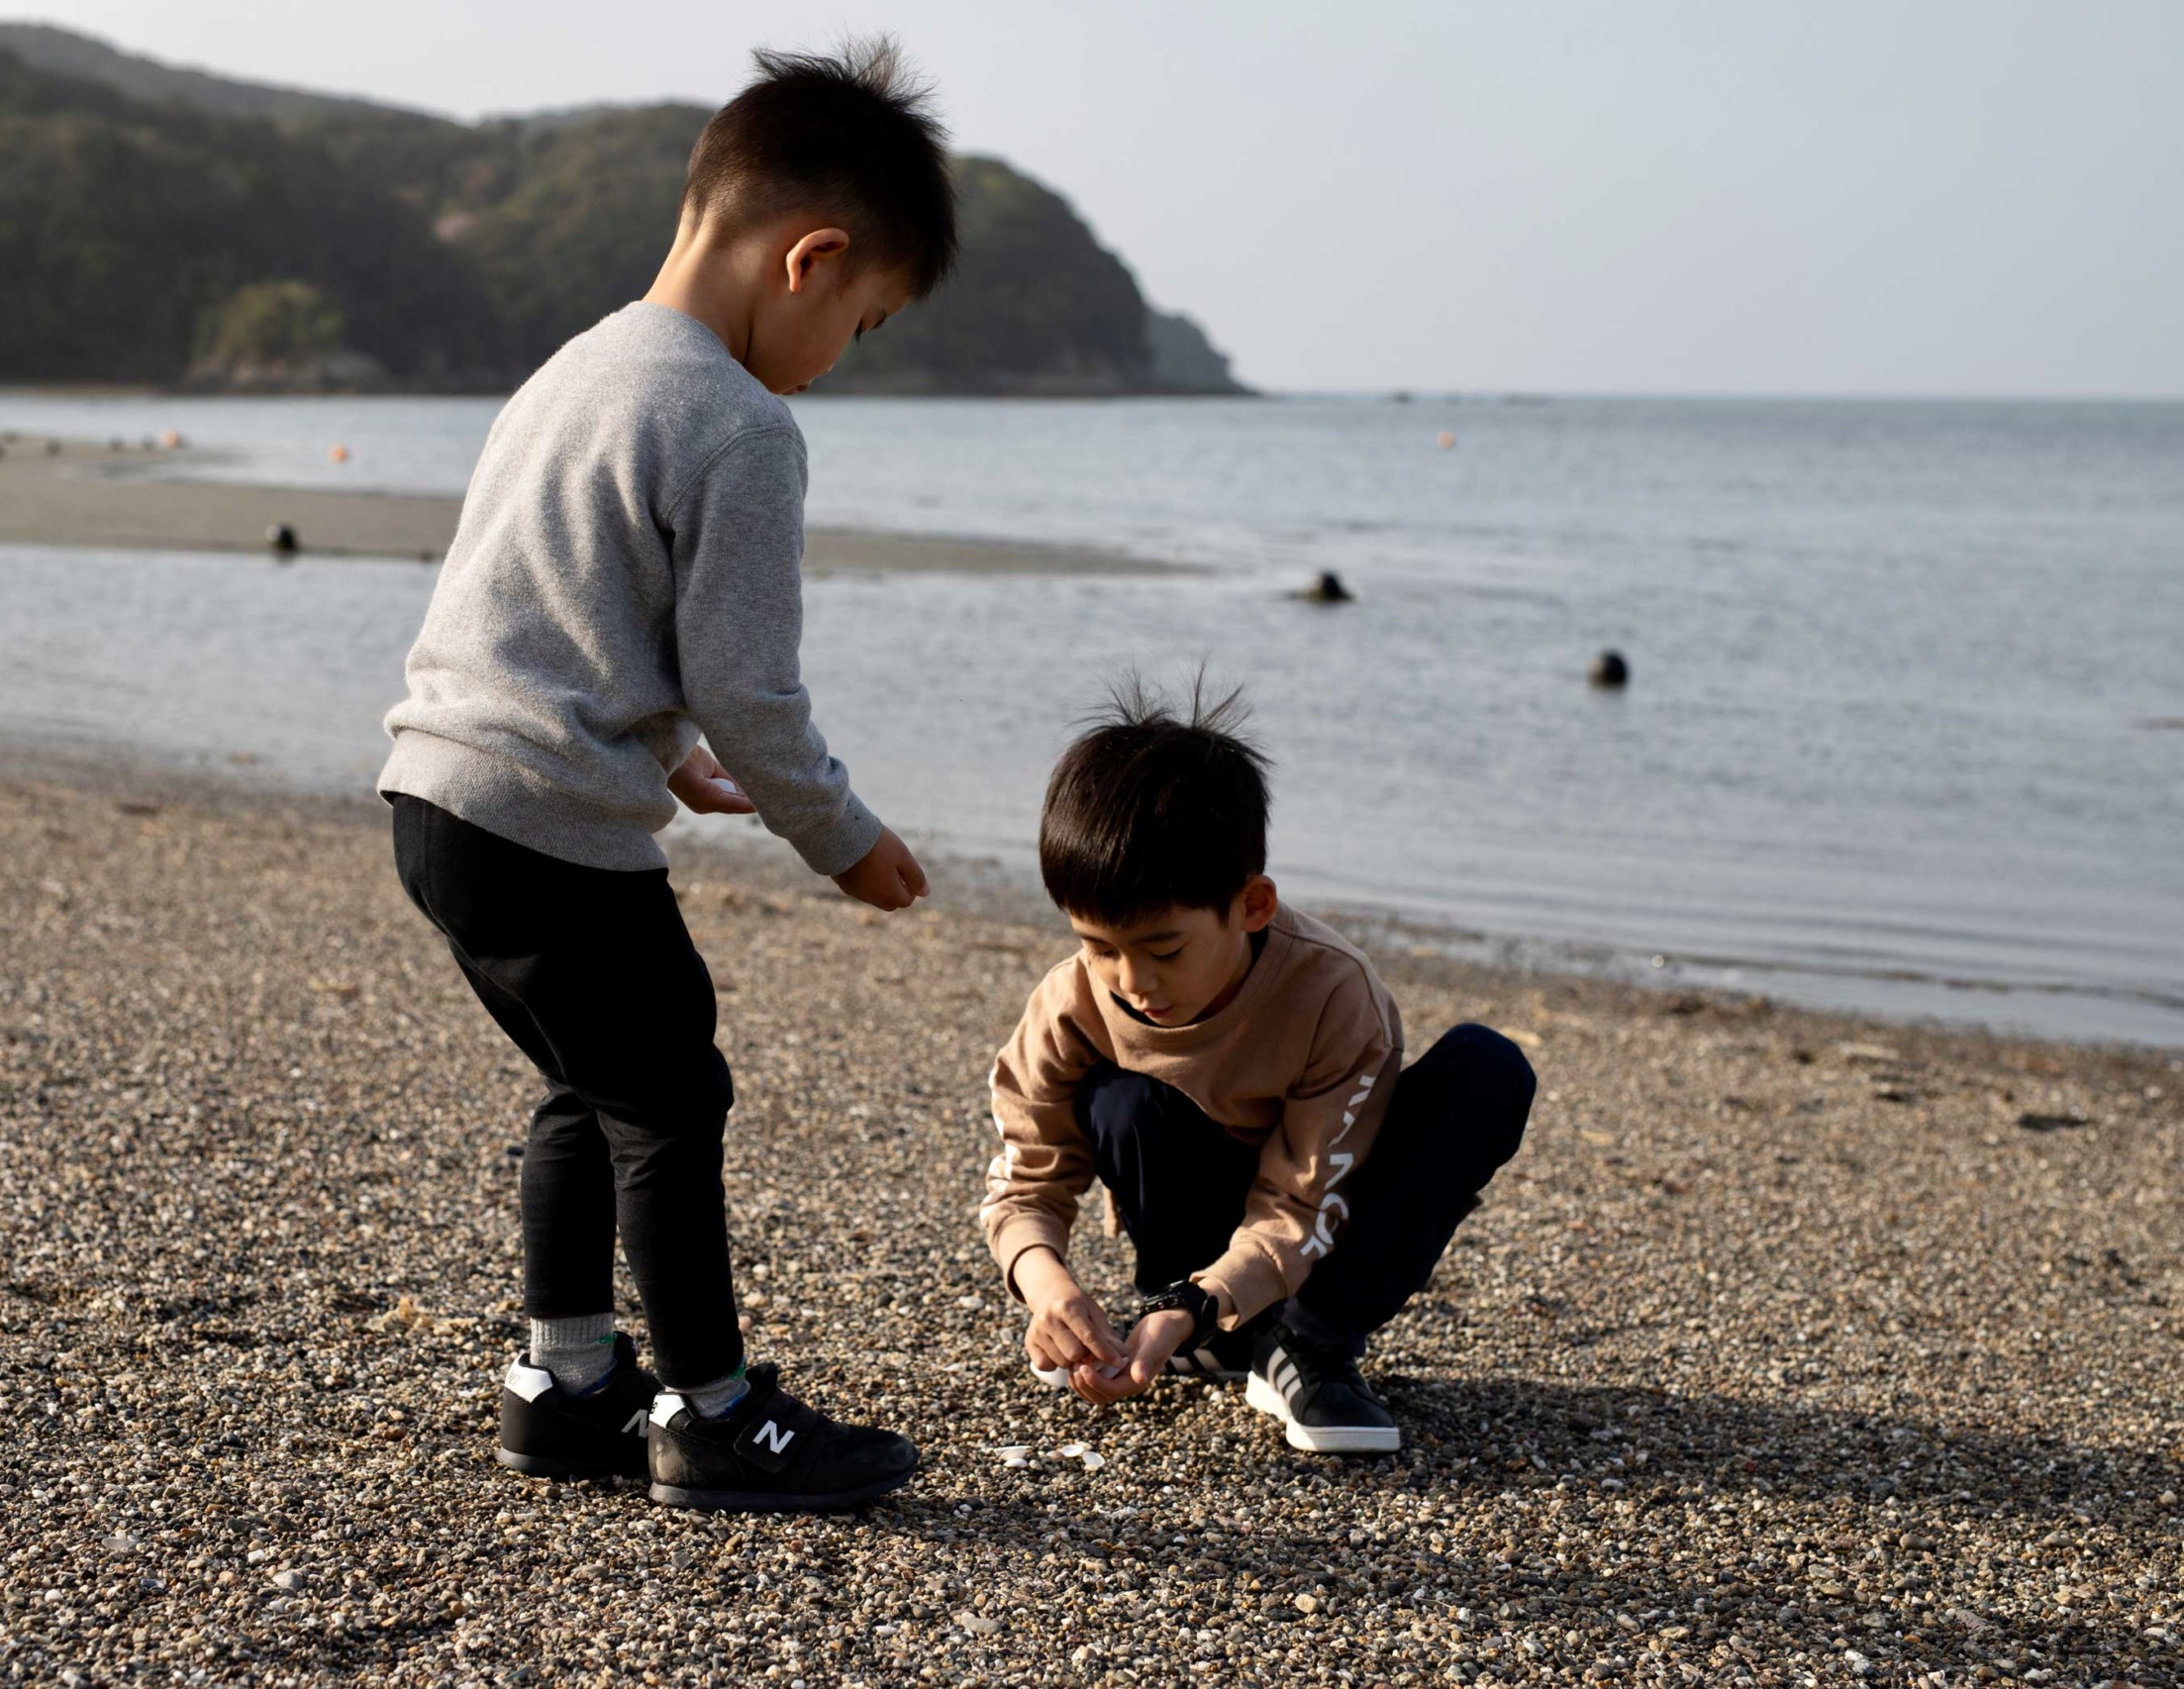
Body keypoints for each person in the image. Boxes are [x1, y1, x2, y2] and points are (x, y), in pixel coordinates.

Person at [378, 41, 954, 1512]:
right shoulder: (743, 425)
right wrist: (847, 839)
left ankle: (567, 1383)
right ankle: (714, 1411)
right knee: (671, 1093)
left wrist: (664, 751)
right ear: (808, 260)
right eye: (864, 321)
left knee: (591, 1082)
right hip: (552, 824)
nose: (841, 358)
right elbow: (758, 686)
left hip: (439, 793)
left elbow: (544, 602)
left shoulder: (578, 366)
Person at [982, 685, 1536, 1453]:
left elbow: (1302, 1202)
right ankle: (1196, 1330)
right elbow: (1026, 1180)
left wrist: (1204, 1304)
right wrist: (1052, 1291)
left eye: (1164, 949)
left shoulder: (1334, 994)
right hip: (1195, 1254)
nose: (1131, 981)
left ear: (1253, 904)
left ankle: (1304, 1345)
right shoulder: (1073, 1001)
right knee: (1122, 1099)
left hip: (1324, 1236)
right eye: (1099, 945)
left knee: (1488, 1066)